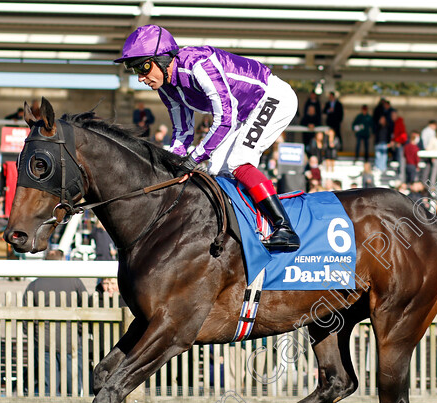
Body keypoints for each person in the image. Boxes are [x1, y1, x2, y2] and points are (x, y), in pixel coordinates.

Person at [115, 24, 300, 251]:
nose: (141, 78)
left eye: (143, 68)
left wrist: (194, 159)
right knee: (215, 169)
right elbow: (182, 132)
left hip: (272, 97)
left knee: (238, 161)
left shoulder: (198, 64)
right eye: (135, 71)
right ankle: (245, 227)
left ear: (162, 59)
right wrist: (172, 165)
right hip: (243, 113)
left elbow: (225, 118)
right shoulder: (166, 87)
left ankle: (285, 228)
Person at [23, 249, 87, 403]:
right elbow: (86, 308)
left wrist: (36, 335)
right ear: (62, 261)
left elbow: (27, 317)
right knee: (76, 387)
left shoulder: (35, 285)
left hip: (44, 344)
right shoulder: (75, 281)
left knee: (49, 389)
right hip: (71, 343)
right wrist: (80, 332)